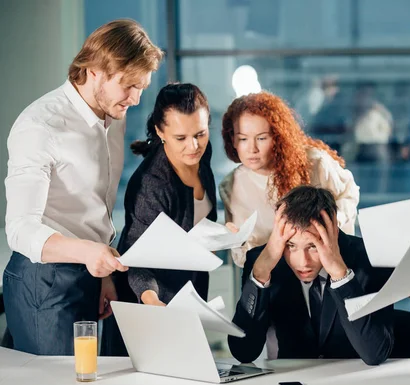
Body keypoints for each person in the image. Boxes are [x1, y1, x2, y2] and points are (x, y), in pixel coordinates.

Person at [3, 19, 163, 355]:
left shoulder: (112, 116)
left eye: (141, 88)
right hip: (43, 280)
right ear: (94, 71)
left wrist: (100, 273)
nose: (135, 99)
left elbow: (95, 208)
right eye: (128, 86)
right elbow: (19, 229)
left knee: (89, 382)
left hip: (90, 273)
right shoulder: (39, 126)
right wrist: (89, 254)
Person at [101, 83, 217, 355]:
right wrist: (151, 301)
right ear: (160, 131)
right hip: (147, 302)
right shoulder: (151, 184)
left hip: (186, 292)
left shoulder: (203, 151)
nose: (194, 145)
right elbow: (136, 257)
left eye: (200, 133)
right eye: (181, 138)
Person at [228, 186, 394, 366]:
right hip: (293, 382)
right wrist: (260, 273)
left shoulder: (370, 258)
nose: (303, 262)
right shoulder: (262, 263)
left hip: (355, 382)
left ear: (333, 234)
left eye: (313, 246)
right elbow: (243, 352)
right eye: (291, 246)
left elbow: (375, 353)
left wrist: (340, 275)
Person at [220, 91, 359, 268]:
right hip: (275, 277)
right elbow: (243, 259)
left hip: (324, 269)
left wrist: (328, 224)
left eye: (261, 138)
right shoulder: (231, 185)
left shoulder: (315, 162)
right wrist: (235, 243)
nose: (251, 148)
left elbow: (349, 194)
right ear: (232, 140)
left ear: (277, 137)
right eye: (243, 139)